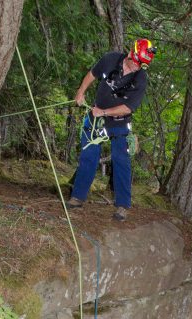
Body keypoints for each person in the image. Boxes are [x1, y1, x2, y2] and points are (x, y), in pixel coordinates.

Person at [68, 38, 157, 222]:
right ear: (131, 54)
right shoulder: (111, 60)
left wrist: (105, 112)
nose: (138, 67)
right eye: (137, 63)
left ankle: (123, 205)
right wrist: (81, 92)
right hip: (96, 118)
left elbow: (128, 108)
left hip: (119, 122)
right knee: (88, 155)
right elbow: (93, 74)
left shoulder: (140, 78)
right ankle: (77, 197)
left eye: (142, 65)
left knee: (121, 161)